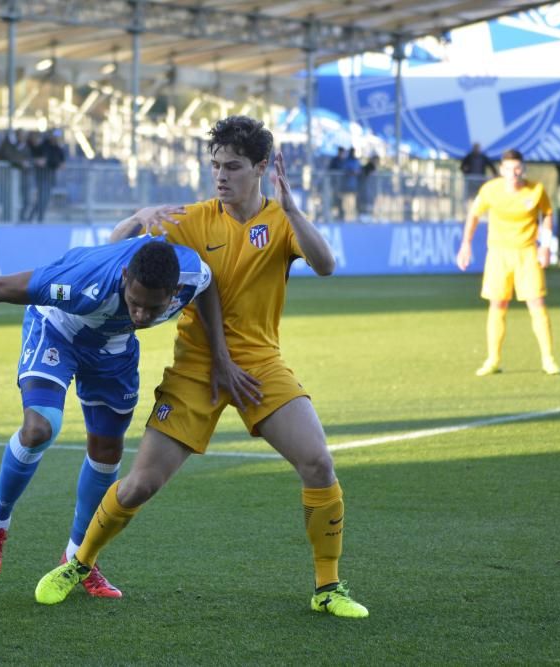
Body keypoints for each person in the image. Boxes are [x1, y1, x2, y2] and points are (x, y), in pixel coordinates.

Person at [34, 115, 369, 619]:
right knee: (139, 485)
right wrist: (139, 215)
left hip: (259, 365)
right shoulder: (189, 219)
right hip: (196, 368)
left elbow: (325, 264)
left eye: (232, 166)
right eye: (215, 165)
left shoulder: (279, 223)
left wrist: (294, 209)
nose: (220, 175)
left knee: (318, 463)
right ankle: (78, 563)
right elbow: (115, 246)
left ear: (260, 168)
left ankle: (328, 587)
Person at [0, 236, 229, 599]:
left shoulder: (191, 274)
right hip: (59, 331)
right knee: (40, 427)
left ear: (173, 292)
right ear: (124, 277)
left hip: (113, 350)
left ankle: (78, 559)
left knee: (107, 450)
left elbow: (208, 284)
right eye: (135, 303)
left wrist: (220, 353)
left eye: (152, 309)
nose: (141, 315)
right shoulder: (80, 285)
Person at [456, 148, 560, 376]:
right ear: (501, 170)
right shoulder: (490, 190)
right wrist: (466, 244)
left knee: (537, 304)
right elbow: (473, 215)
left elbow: (548, 215)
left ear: (523, 169)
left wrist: (545, 246)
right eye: (509, 169)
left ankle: (548, 359)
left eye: (517, 168)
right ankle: (493, 359)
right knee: (497, 305)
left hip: (527, 253)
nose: (513, 173)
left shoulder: (536, 190)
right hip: (498, 255)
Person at [23, 131, 66, 223]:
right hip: (41, 176)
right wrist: (38, 161)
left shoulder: (58, 148)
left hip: (50, 177)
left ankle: (36, 218)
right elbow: (37, 158)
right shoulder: (43, 146)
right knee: (41, 198)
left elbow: (59, 161)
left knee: (45, 199)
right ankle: (36, 218)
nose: (55, 139)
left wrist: (54, 163)